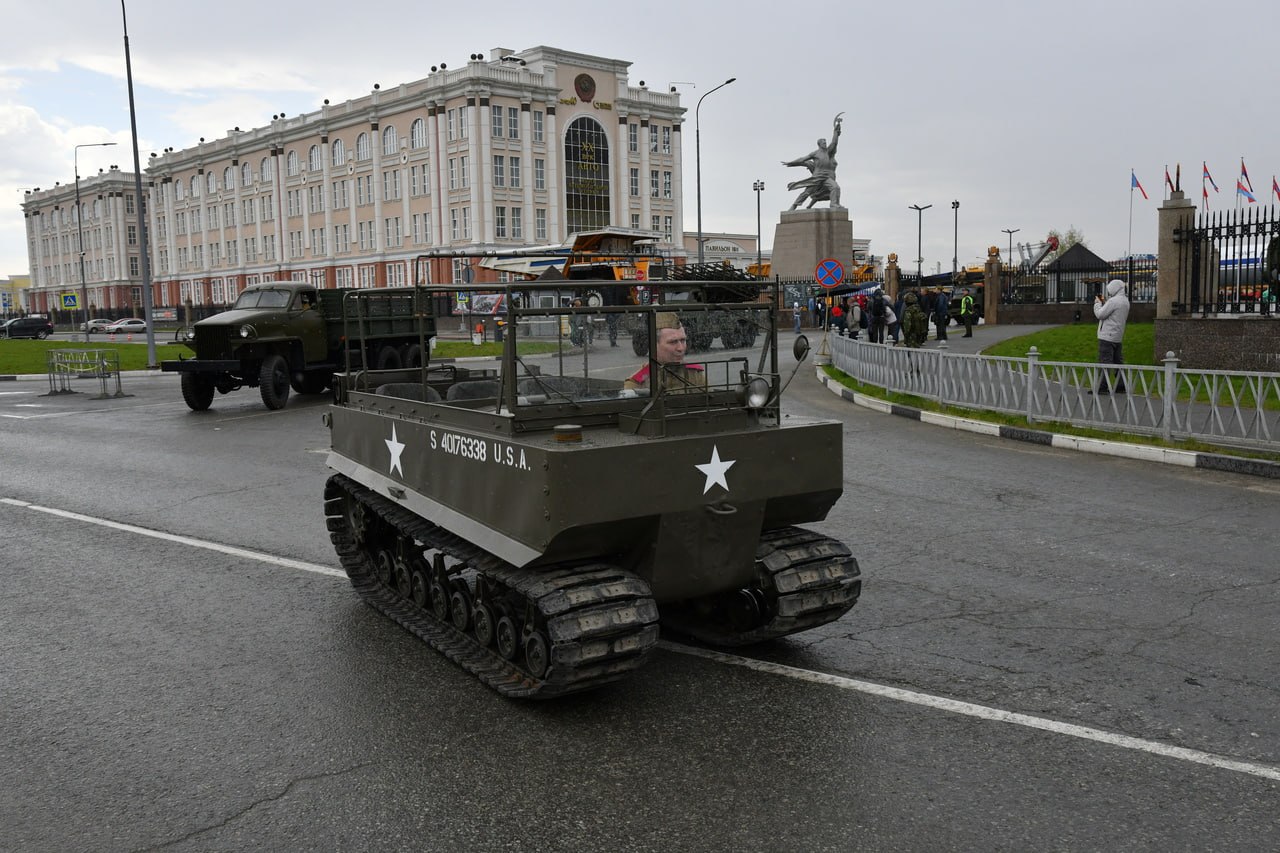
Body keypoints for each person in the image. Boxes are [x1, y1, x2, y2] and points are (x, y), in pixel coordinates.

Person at [624, 313, 707, 394]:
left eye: (683, 340)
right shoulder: (637, 383)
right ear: (654, 345)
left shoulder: (695, 374)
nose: (680, 348)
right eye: (673, 342)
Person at [782, 114, 844, 210]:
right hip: (817, 177)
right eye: (823, 143)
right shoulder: (815, 153)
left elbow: (834, 142)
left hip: (826, 177)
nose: (825, 144)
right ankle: (794, 206)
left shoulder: (828, 152)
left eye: (825, 142)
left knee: (835, 188)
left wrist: (836, 132)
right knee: (807, 193)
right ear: (819, 144)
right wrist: (791, 163)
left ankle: (834, 204)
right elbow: (802, 159)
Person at [1092, 279, 1131, 393]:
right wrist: (1105, 304)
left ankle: (1103, 386)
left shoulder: (1113, 301)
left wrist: (1097, 304)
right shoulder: (1125, 301)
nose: (1109, 292)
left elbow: (1100, 314)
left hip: (1106, 336)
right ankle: (1121, 385)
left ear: (1114, 289)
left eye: (1110, 290)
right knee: (1118, 361)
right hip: (1117, 336)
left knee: (1105, 361)